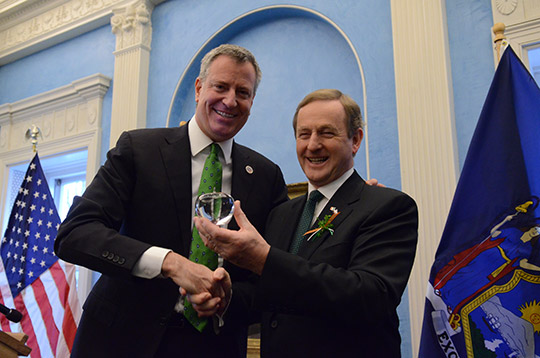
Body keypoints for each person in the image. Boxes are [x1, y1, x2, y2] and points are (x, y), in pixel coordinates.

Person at [54, 44, 289, 357]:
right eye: (220, 86)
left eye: (242, 92)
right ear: (198, 88)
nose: (230, 100)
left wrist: (227, 299)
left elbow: (278, 277)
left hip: (213, 346)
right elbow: (75, 234)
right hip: (120, 341)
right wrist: (170, 263)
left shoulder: (266, 176)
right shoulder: (139, 149)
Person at [193, 89, 419, 357]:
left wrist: (264, 260)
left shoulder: (388, 207)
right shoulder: (283, 214)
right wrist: (224, 296)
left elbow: (371, 297)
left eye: (326, 133)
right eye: (304, 134)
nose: (312, 145)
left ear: (355, 140)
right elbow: (272, 297)